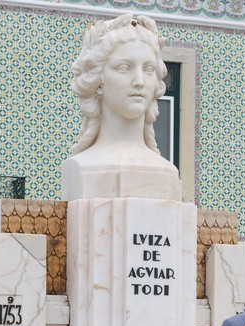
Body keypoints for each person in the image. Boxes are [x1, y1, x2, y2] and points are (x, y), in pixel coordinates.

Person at [62, 14, 178, 200]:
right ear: (98, 80)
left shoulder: (167, 170)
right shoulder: (82, 165)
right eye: (124, 68)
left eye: (148, 69)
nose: (139, 81)